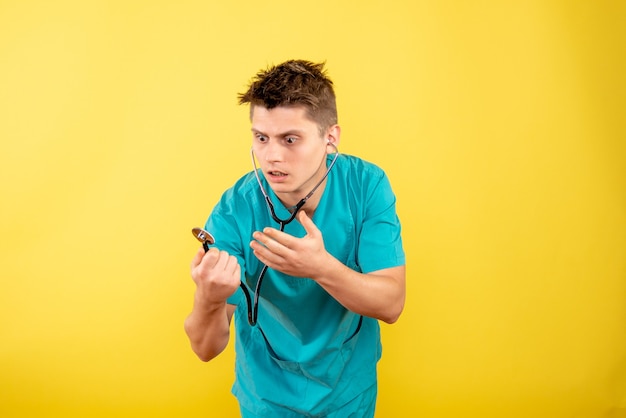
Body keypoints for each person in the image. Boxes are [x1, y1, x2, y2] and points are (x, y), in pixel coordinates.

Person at [184, 59, 406, 417]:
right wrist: (209, 298)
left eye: (290, 139)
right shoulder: (234, 209)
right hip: (266, 398)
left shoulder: (366, 186)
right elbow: (205, 348)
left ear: (330, 138)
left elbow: (392, 303)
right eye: (261, 138)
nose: (272, 156)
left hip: (347, 393)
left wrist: (321, 268)